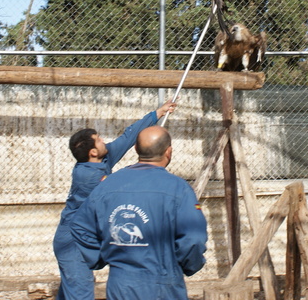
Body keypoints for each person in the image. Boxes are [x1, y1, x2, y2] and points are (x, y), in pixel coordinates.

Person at [53, 100, 176, 300]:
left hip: (84, 235)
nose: (103, 141)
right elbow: (119, 187)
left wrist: (157, 114)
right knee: (81, 291)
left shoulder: (102, 158)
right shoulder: (87, 176)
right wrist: (149, 167)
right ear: (93, 152)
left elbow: (127, 138)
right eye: (99, 140)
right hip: (73, 242)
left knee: (71, 292)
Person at [70, 125, 208, 300]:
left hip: (120, 285)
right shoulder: (178, 189)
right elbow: (193, 239)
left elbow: (80, 226)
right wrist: (187, 266)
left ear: (136, 149)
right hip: (163, 284)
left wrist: (100, 258)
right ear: (169, 152)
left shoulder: (107, 185)